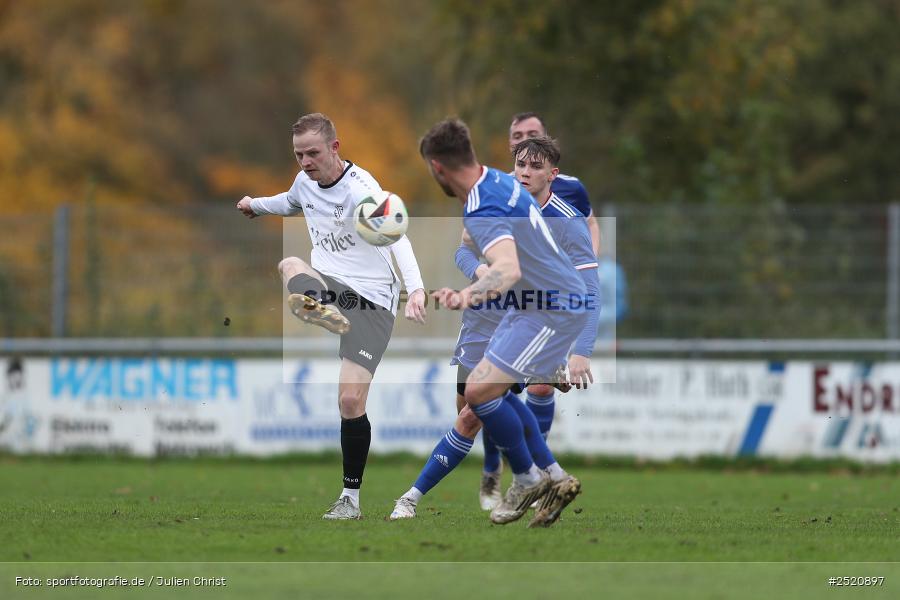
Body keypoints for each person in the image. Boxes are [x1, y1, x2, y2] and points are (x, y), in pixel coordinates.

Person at [389, 136, 598, 525]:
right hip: (523, 311)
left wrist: (467, 293)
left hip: (550, 309)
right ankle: (550, 476)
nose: (525, 171)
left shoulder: (485, 203)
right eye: (522, 162)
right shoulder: (498, 184)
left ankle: (526, 478)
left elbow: (509, 270)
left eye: (535, 165)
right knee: (484, 394)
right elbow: (472, 251)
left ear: (437, 168)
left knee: (479, 393)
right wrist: (473, 277)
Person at [237, 112, 427, 520]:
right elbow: (288, 202)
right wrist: (255, 205)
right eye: (298, 154)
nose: (305, 162)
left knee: (349, 401)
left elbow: (399, 238)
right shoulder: (304, 181)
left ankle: (350, 498)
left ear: (335, 148)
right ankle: (320, 310)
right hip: (331, 285)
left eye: (313, 153)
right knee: (290, 263)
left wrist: (417, 290)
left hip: (372, 301)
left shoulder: (362, 190)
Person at [508, 112, 601, 256]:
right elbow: (471, 242)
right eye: (517, 136)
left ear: (545, 138)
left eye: (532, 134)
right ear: (510, 144)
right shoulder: (499, 189)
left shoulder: (572, 188)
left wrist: (590, 260)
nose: (525, 141)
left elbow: (591, 224)